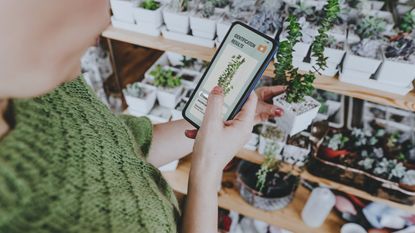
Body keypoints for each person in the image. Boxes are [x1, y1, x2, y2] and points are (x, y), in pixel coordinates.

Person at [0, 1, 285, 233]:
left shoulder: (45, 81)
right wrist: (208, 168)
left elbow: (119, 150)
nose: (106, 15)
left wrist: (215, 122)